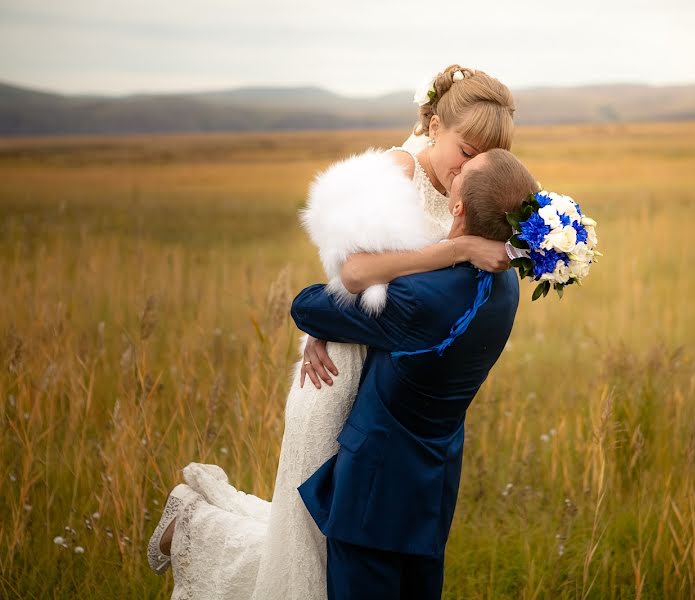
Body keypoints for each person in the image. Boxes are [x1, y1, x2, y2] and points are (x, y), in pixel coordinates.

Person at [146, 65, 519, 599]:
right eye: (466, 149)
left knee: (332, 542)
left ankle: (197, 524)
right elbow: (354, 272)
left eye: (485, 157)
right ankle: (197, 526)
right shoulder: (397, 170)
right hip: (341, 366)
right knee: (309, 542)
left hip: (395, 364)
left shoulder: (469, 185)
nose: (471, 167)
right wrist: (458, 250)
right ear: (434, 126)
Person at [293, 148, 540, 599]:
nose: (456, 169)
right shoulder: (506, 284)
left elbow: (308, 305)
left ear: (459, 207)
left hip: (373, 496)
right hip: (433, 489)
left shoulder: (419, 299)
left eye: (464, 171)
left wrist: (444, 250)